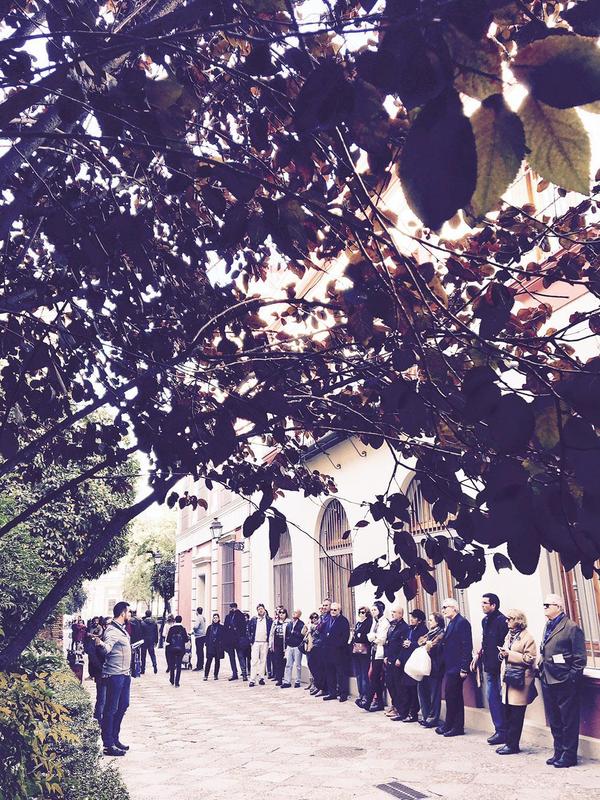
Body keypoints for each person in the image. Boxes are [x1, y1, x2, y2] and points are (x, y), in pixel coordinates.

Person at [539, 593, 587, 768]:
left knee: (568, 720)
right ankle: (558, 751)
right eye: (544, 605)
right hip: (548, 678)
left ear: (558, 607)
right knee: (555, 719)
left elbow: (580, 659)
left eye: (547, 605)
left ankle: (569, 755)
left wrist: (571, 678)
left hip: (564, 681)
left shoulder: (571, 627)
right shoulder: (548, 625)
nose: (544, 608)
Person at [496, 608, 537, 755]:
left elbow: (530, 659)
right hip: (508, 679)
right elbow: (506, 653)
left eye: (510, 619)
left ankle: (513, 745)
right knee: (507, 713)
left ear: (518, 621)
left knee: (516, 715)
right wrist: (502, 655)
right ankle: (509, 743)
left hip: (520, 680)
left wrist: (510, 654)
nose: (507, 621)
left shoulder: (527, 637)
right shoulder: (509, 635)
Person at [94, 601, 132, 757]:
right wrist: (100, 644)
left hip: (124, 674)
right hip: (115, 675)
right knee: (111, 708)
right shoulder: (112, 630)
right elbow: (107, 648)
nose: (130, 614)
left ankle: (115, 738)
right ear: (122, 613)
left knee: (123, 705)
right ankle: (108, 744)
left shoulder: (121, 629)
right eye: (129, 612)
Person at [471, 593, 508, 746]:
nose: (482, 605)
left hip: (501, 666)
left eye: (485, 603)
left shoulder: (502, 621)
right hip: (489, 666)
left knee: (502, 698)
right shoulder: (484, 621)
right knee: (492, 697)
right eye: (482, 603)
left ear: (493, 605)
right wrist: (479, 654)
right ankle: (499, 730)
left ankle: (504, 731)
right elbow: (485, 641)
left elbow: (505, 642)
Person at [436, 597, 472, 737]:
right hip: (450, 666)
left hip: (457, 667)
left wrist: (464, 668)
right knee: (450, 696)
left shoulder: (462, 623)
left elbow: (466, 646)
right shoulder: (451, 623)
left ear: (454, 608)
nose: (443, 610)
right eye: (442, 607)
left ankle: (457, 727)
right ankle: (449, 724)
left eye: (445, 607)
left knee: (455, 696)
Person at [397, 608, 427, 722]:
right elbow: (404, 643)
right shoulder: (410, 629)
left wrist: (411, 644)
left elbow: (422, 645)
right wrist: (400, 657)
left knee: (413, 689)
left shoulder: (423, 630)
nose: (411, 619)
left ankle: (413, 713)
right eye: (411, 617)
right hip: (406, 662)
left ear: (419, 620)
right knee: (405, 688)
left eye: (414, 618)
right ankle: (404, 712)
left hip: (415, 663)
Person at [359, 601, 389, 712]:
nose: (373, 612)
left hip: (381, 653)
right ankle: (378, 702)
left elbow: (382, 639)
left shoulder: (384, 622)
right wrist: (374, 637)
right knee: (374, 677)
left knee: (374, 677)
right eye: (372, 610)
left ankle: (368, 701)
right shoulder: (375, 621)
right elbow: (369, 636)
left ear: (380, 610)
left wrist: (374, 638)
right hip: (374, 651)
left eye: (375, 610)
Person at [417, 612, 445, 727]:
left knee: (434, 693)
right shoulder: (430, 633)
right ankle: (426, 715)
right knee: (422, 690)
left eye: (431, 620)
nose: (429, 622)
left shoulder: (441, 633)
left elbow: (432, 646)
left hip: (435, 666)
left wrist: (426, 645)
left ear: (437, 621)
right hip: (425, 666)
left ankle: (433, 718)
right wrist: (425, 644)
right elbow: (420, 641)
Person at [383, 604, 409, 720]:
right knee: (390, 684)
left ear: (401, 614)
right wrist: (386, 656)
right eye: (392, 612)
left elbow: (404, 645)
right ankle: (395, 706)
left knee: (399, 686)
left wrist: (400, 658)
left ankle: (401, 710)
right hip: (390, 659)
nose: (392, 614)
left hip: (397, 661)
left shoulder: (404, 627)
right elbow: (388, 642)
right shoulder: (392, 625)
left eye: (394, 612)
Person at [321, 602, 351, 702]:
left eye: (335, 610)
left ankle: (343, 694)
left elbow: (345, 637)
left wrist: (337, 646)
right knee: (330, 673)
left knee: (341, 673)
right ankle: (332, 692)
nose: (333, 611)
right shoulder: (328, 620)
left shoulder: (343, 621)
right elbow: (323, 632)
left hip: (339, 651)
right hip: (327, 651)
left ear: (339, 610)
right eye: (331, 610)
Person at [351, 606, 373, 706]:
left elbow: (365, 637)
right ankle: (360, 693)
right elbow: (356, 636)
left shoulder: (368, 623)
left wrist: (359, 635)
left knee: (364, 674)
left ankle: (365, 695)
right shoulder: (358, 623)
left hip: (364, 651)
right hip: (356, 651)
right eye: (360, 612)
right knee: (358, 674)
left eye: (363, 612)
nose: (361, 614)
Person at [248, 603, 273, 686]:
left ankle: (261, 678)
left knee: (263, 661)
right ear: (257, 611)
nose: (260, 610)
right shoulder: (253, 619)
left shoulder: (269, 620)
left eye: (262, 608)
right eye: (259, 609)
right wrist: (250, 640)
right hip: (255, 642)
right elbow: (248, 630)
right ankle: (252, 679)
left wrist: (269, 642)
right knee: (254, 661)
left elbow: (271, 631)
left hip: (265, 642)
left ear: (264, 609)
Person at [224, 602, 249, 681]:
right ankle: (234, 673)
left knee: (241, 657)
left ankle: (244, 674)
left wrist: (241, 637)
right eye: (231, 608)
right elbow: (225, 629)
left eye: (233, 607)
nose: (232, 609)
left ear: (236, 607)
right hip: (230, 640)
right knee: (232, 658)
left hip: (239, 640)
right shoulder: (228, 617)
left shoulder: (240, 615)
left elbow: (243, 628)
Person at [281, 609, 305, 688]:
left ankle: (297, 681)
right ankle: (287, 681)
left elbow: (302, 635)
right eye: (293, 612)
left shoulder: (301, 624)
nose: (294, 614)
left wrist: (294, 633)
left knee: (298, 665)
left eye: (296, 613)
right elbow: (286, 634)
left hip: (297, 646)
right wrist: (286, 643)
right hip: (289, 646)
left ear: (299, 615)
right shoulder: (289, 623)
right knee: (288, 664)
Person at [166, 615, 189, 687]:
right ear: (181, 620)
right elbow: (186, 640)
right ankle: (177, 682)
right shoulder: (183, 629)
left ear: (175, 620)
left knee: (172, 664)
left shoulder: (171, 629)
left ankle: (172, 679)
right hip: (181, 649)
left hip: (172, 649)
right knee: (179, 665)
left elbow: (168, 640)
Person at [269, 608, 289, 685]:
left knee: (284, 662)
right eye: (280, 613)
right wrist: (270, 645)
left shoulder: (288, 622)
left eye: (283, 613)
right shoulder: (275, 622)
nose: (281, 614)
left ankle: (285, 678)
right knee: (277, 662)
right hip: (276, 645)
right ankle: (279, 679)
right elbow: (271, 634)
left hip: (285, 645)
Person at [204, 613, 225, 680]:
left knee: (217, 661)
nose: (215, 619)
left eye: (216, 618)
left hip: (218, 647)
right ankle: (206, 675)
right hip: (211, 646)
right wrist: (207, 645)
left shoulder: (221, 627)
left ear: (219, 619)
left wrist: (222, 646)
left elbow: (223, 637)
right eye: (214, 618)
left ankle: (216, 675)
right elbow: (207, 637)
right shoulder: (209, 627)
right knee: (208, 661)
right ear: (212, 619)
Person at [304, 612, 321, 693]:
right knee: (310, 667)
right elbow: (302, 633)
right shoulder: (310, 626)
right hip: (308, 648)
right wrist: (307, 626)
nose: (314, 619)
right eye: (312, 618)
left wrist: (311, 630)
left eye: (315, 618)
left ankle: (316, 685)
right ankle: (312, 683)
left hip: (315, 649)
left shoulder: (319, 626)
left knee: (316, 668)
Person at [140, 610, 158, 675]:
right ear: (151, 614)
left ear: (145, 614)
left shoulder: (142, 623)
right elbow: (156, 633)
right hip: (151, 640)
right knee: (152, 654)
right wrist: (156, 641)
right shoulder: (154, 623)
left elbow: (141, 633)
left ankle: (143, 669)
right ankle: (154, 665)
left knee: (143, 656)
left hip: (144, 641)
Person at [192, 607, 206, 671]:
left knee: (198, 651)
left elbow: (196, 626)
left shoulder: (198, 618)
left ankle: (199, 666)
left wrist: (194, 629)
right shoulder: (203, 617)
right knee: (201, 651)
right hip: (203, 636)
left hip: (198, 636)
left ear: (197, 611)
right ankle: (201, 664)